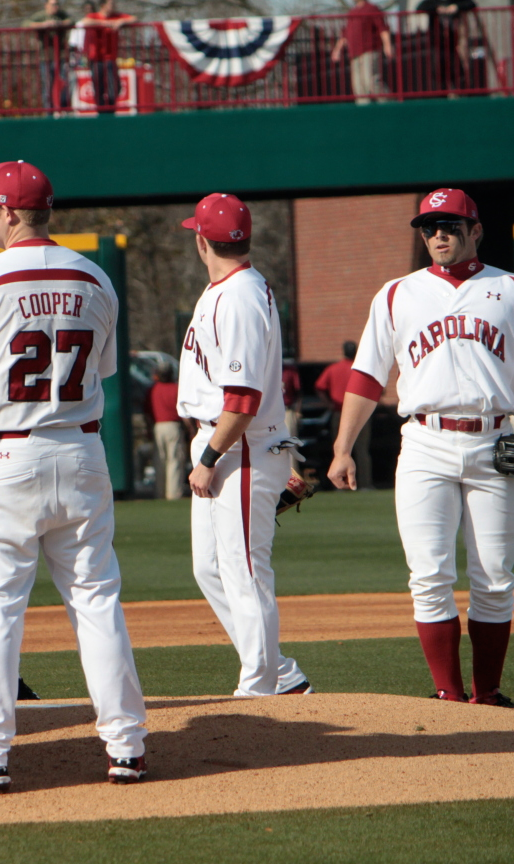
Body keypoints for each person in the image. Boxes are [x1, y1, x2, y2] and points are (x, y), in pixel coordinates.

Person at [328, 188, 514, 707]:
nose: (439, 234)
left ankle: (487, 693)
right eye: (429, 227)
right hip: (424, 441)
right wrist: (342, 448)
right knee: (429, 574)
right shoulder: (396, 294)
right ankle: (449, 696)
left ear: (475, 230)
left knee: (495, 576)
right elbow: (366, 375)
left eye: (450, 224)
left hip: (494, 440)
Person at [0, 161, 148, 793]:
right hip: (82, 448)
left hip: (7, 453)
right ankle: (127, 745)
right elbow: (105, 368)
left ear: (8, 212)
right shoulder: (95, 275)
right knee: (96, 598)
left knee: (0, 605)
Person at [177, 192, 311, 698]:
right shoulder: (229, 289)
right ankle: (282, 674)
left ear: (201, 241)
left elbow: (244, 397)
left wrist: (210, 457)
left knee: (245, 569)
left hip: (239, 447)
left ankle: (259, 687)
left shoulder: (238, 296)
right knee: (210, 567)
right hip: (230, 441)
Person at [316, 340, 373, 489]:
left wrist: (328, 403)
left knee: (340, 450)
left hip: (339, 413)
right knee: (362, 451)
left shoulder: (333, 369)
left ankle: (340, 484)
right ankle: (365, 484)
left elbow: (319, 387)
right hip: (361, 414)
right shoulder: (361, 369)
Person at [331, 0, 394, 104]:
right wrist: (337, 49)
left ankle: (390, 105)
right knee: (359, 87)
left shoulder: (371, 8)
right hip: (354, 53)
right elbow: (345, 33)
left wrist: (387, 45)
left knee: (371, 82)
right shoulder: (352, 12)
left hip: (369, 51)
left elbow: (382, 28)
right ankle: (364, 112)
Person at [82, 0, 135, 113]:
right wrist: (104, 23)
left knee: (115, 87)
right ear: (103, 5)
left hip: (110, 58)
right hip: (96, 58)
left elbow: (134, 18)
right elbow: (85, 21)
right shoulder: (95, 16)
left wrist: (121, 21)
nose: (113, 6)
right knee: (99, 86)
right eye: (111, 4)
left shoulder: (116, 16)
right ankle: (101, 111)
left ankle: (111, 108)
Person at [416, 0, 477, 92]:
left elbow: (471, 4)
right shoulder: (433, 2)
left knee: (459, 75)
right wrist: (437, 8)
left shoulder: (452, 2)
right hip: (437, 47)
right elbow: (420, 7)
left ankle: (463, 96)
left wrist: (456, 7)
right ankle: (441, 98)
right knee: (439, 76)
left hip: (453, 46)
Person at [145, 362, 185, 499]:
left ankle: (159, 493)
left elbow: (147, 413)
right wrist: (191, 429)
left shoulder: (152, 389)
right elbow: (184, 411)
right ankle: (173, 494)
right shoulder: (176, 388)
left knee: (159, 460)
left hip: (158, 427)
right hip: (173, 426)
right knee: (174, 461)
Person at [27, 0, 74, 110]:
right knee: (47, 86)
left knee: (64, 84)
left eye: (57, 4)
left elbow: (72, 21)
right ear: (46, 5)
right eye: (53, 4)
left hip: (61, 57)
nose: (55, 7)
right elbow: (26, 24)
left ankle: (63, 109)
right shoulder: (40, 16)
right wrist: (44, 25)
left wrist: (60, 24)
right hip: (46, 57)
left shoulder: (61, 15)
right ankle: (49, 111)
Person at [281, 359, 302, 439]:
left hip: (287, 411)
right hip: (267, 412)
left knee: (288, 442)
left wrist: (298, 411)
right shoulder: (265, 371)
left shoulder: (290, 371)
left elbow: (299, 393)